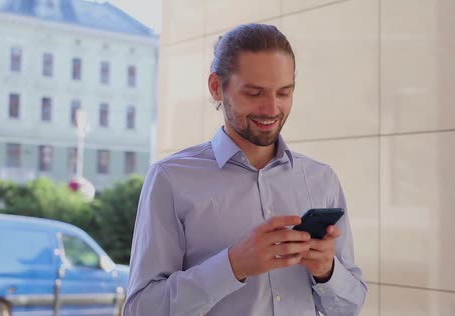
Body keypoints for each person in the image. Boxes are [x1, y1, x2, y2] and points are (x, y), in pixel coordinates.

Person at [125, 23, 367, 316]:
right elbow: (141, 309)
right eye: (254, 93)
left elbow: (349, 307)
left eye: (284, 93)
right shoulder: (170, 179)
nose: (271, 109)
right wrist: (233, 265)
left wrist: (327, 272)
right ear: (217, 87)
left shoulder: (321, 179)